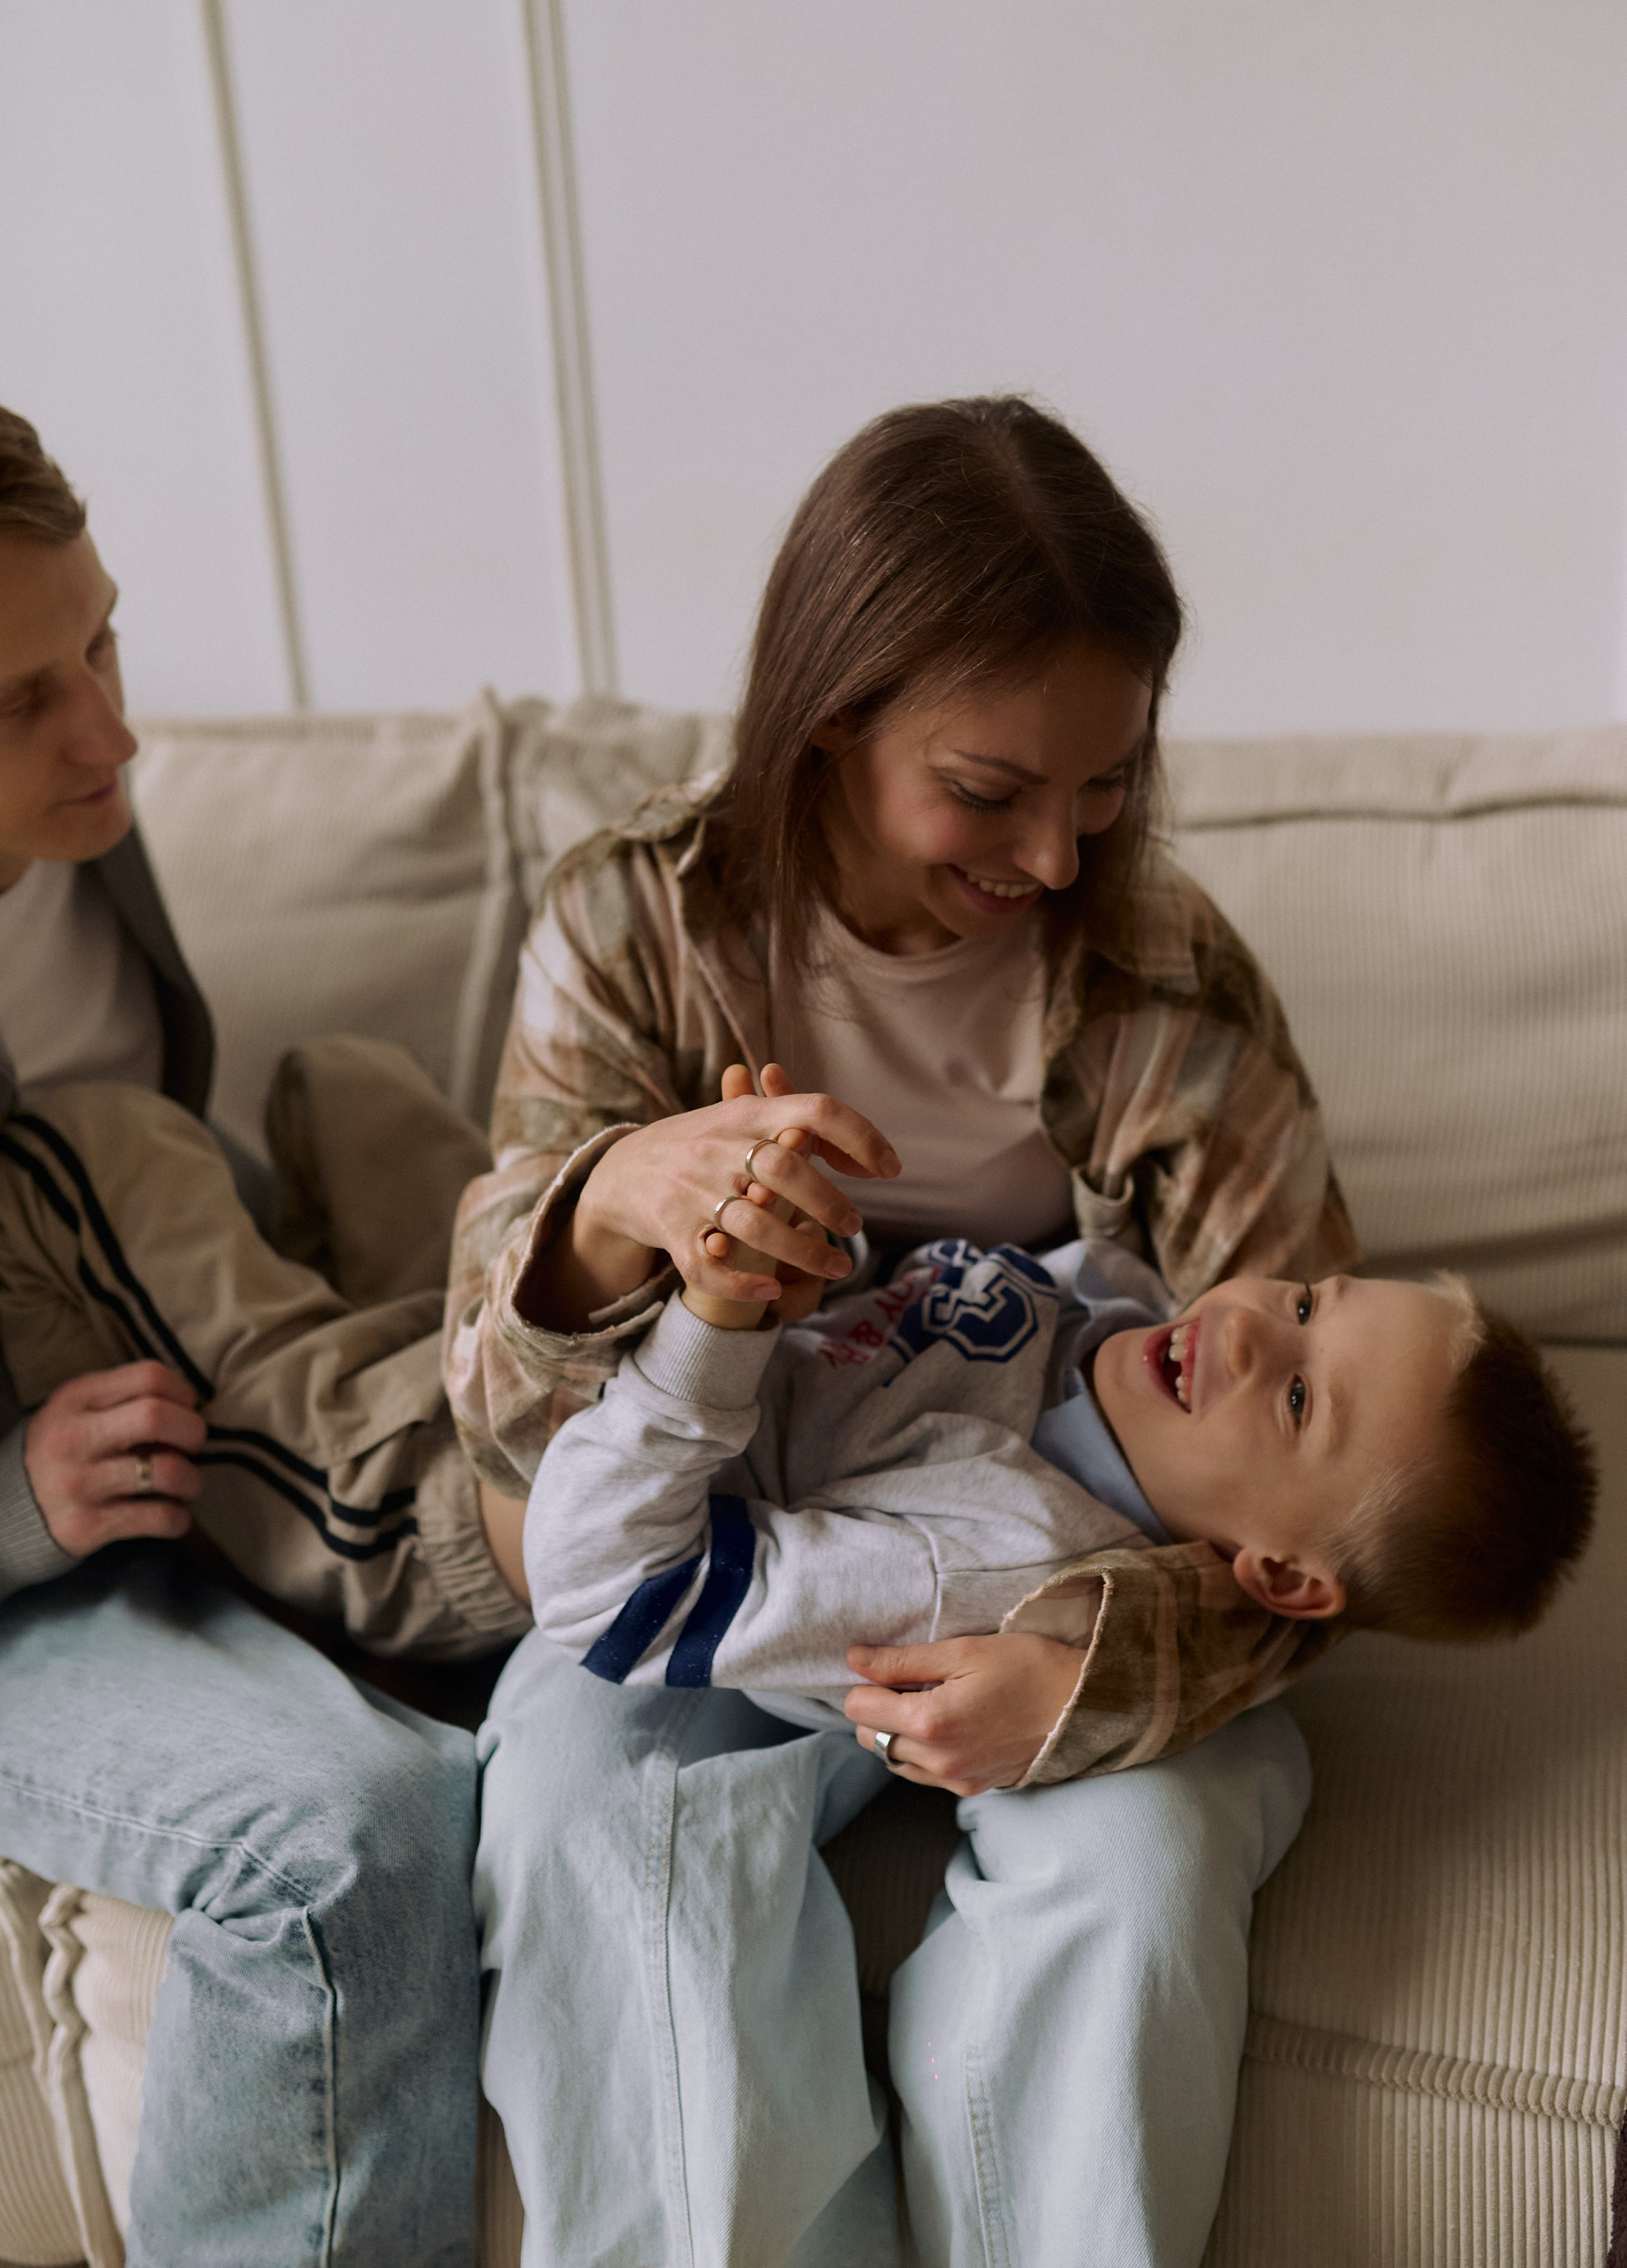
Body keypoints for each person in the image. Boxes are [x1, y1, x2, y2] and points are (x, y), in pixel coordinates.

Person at [461, 395, 1365, 2265]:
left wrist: (1096, 1668)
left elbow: (1331, 1468)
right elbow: (504, 1438)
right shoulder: (635, 927)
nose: (1054, 856)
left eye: (1105, 785)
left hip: (1065, 1561)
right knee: (584, 1817)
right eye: (990, 789)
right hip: (736, 1533)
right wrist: (624, 1196)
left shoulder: (1163, 980)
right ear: (832, 723)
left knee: (1146, 1861)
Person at [0, 406, 527, 2268]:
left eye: (106, 645)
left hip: (165, 1425)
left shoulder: (79, 846)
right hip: (33, 1570)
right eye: (24, 702)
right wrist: (19, 1497)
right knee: (343, 1837)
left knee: (571, 1705)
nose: (112, 731)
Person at [526, 1231, 1596, 1709]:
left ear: (1280, 1575)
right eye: (1310, 1300)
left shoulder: (999, 1565)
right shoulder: (1115, 1297)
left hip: (582, 1471)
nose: (1251, 1329)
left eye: (1300, 1399)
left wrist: (716, 1319)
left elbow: (606, 1588)